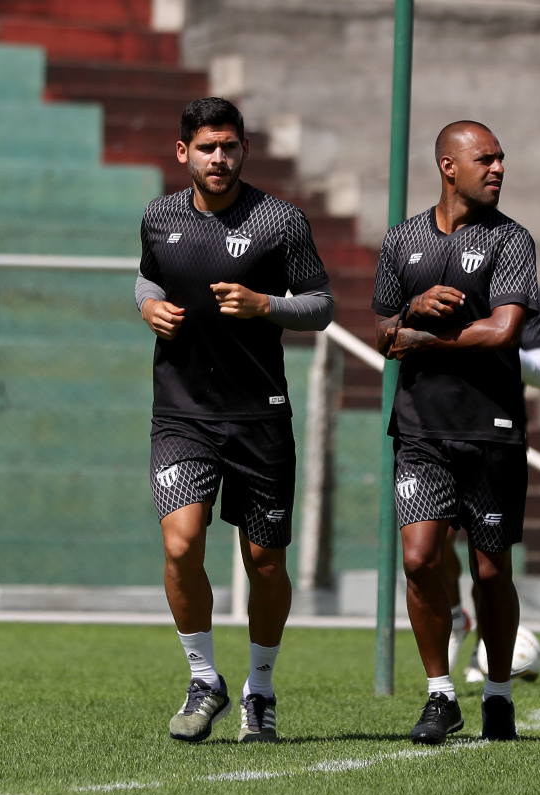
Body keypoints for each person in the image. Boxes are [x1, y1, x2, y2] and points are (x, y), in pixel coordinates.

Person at [137, 97, 334, 744]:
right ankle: (203, 678)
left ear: (243, 150)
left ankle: (260, 688)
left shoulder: (280, 222)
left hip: (259, 416)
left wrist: (263, 304)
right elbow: (147, 278)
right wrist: (148, 307)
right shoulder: (159, 216)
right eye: (207, 147)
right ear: (183, 153)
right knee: (179, 543)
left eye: (230, 146)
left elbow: (321, 306)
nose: (219, 158)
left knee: (265, 563)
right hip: (182, 414)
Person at [372, 121, 539, 744]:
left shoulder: (512, 241)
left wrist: (421, 340)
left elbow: (503, 332)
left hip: (491, 428)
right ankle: (441, 695)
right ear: (449, 166)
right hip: (420, 429)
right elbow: (382, 336)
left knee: (492, 572)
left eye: (501, 159)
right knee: (419, 560)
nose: (498, 168)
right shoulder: (403, 240)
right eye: (486, 159)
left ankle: (497, 693)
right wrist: (410, 315)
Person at [445, 285, 540, 681]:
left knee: (486, 560)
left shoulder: (526, 293)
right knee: (429, 546)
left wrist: (492, 339)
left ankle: (483, 649)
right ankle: (456, 616)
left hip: (497, 435)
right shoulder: (431, 276)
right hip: (433, 428)